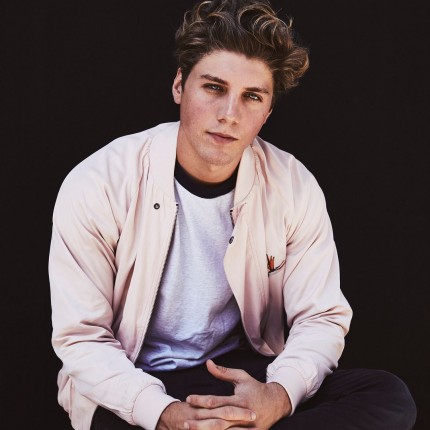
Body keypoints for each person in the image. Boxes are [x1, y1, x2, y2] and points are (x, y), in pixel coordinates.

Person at [48, 1, 417, 429]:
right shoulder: (99, 182)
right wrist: (165, 414)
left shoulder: (293, 186)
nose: (229, 115)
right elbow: (83, 338)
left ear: (268, 111)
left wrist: (277, 397)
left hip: (239, 374)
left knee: (387, 396)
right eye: (214, 88)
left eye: (252, 97)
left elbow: (320, 318)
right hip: (135, 379)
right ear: (179, 86)